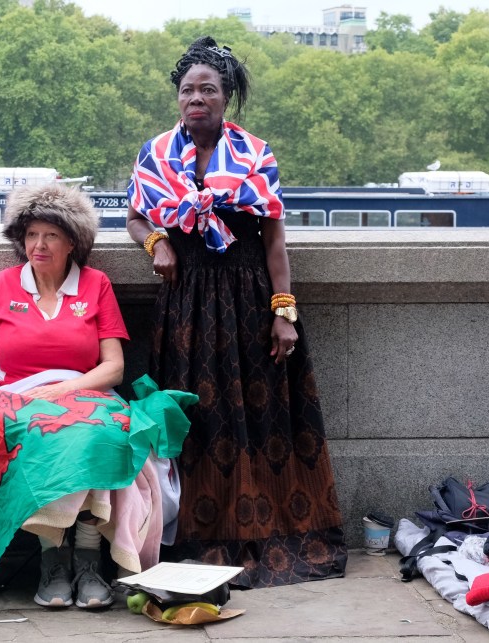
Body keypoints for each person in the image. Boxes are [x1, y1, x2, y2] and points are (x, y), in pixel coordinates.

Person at [126, 36, 347, 588]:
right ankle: (190, 539)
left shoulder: (255, 154)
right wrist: (157, 242)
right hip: (187, 306)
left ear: (227, 98)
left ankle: (261, 538)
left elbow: (274, 239)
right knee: (193, 419)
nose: (195, 98)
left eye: (208, 89)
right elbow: (133, 216)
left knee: (256, 416)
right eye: (186, 91)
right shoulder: (155, 155)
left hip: (248, 300)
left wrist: (284, 311)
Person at [0, 183, 131, 609]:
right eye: (31, 234)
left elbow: (114, 366)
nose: (39, 244)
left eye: (51, 235)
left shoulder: (96, 284)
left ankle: (88, 557)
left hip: (85, 393)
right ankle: (53, 558)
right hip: (18, 398)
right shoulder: (0, 286)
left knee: (99, 433)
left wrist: (64, 390)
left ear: (72, 241)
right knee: (38, 434)